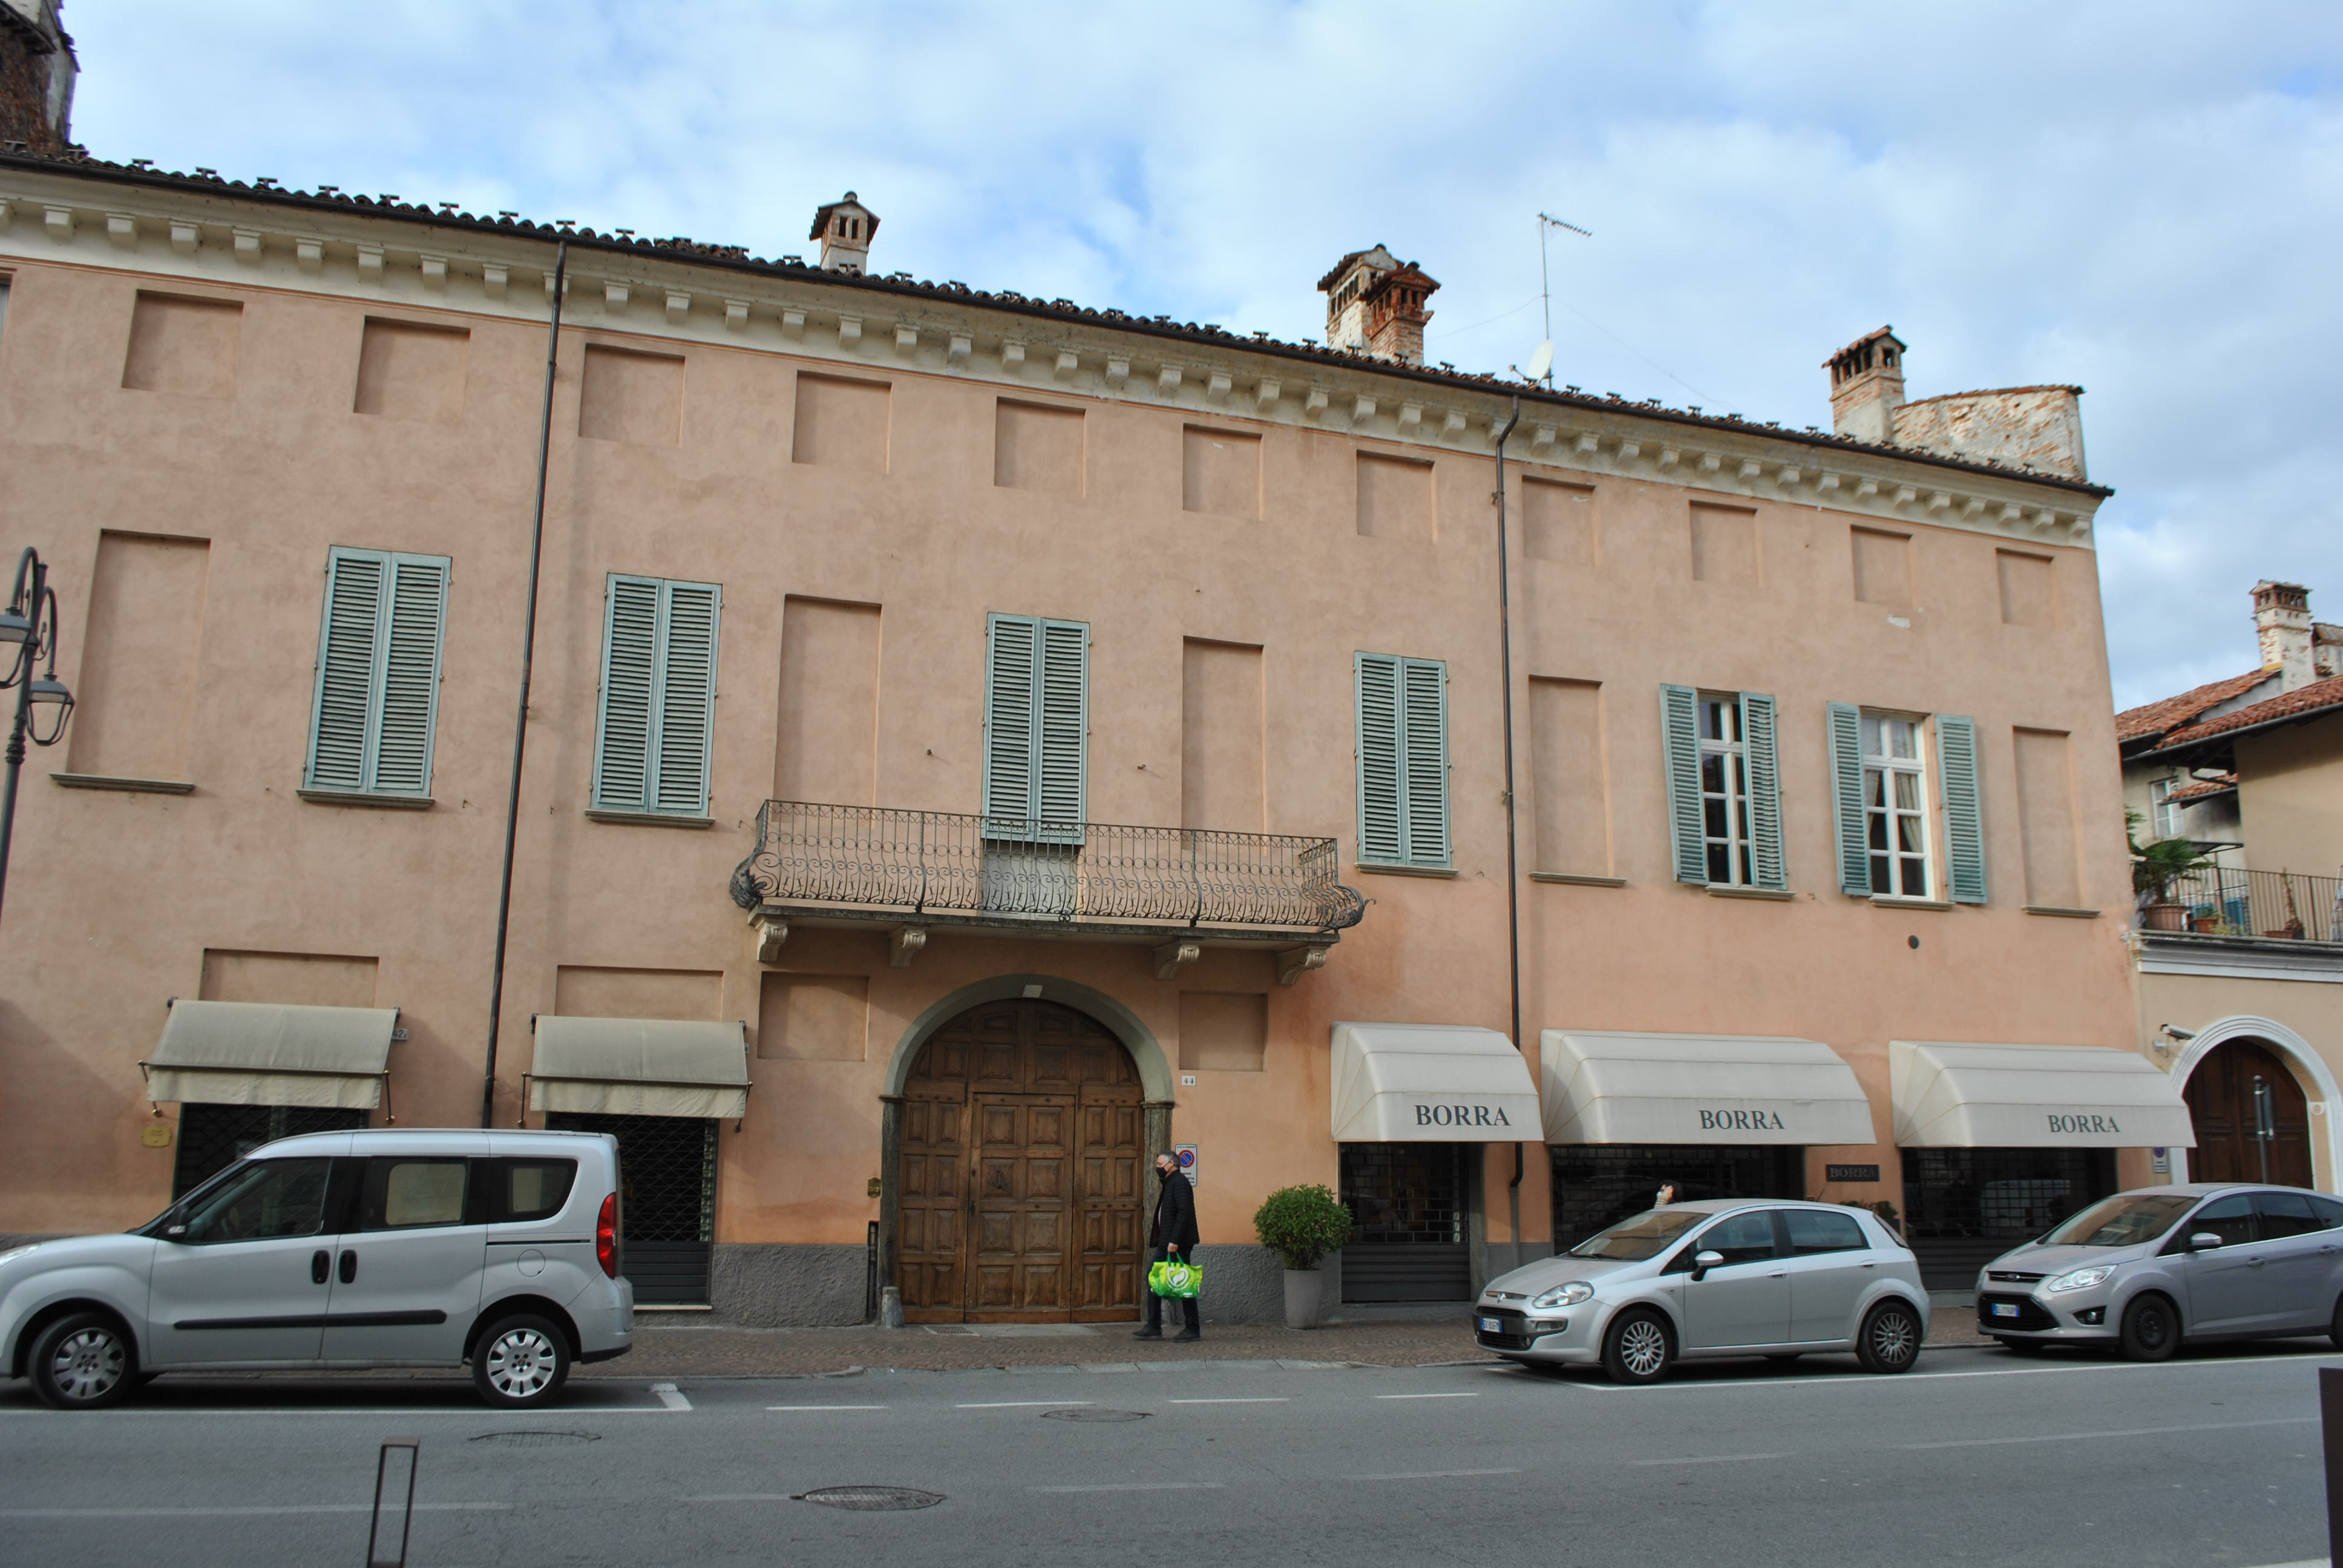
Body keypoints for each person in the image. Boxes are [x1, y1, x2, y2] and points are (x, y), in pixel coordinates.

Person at [1135, 1151, 1201, 1342]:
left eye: (1160, 1163)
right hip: (1168, 1242)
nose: (1157, 1167)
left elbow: (1184, 1213)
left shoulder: (1180, 1183)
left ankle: (1191, 1328)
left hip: (1176, 1243)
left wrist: (1175, 1241)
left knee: (1184, 1283)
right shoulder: (1171, 1183)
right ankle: (1154, 1326)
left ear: (1171, 1164)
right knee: (1156, 1279)